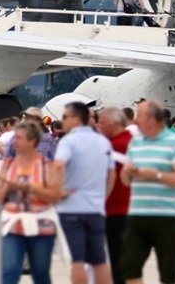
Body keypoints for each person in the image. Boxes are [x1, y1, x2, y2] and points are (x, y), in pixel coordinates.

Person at [120, 100, 175, 284]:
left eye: (140, 117)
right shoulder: (135, 143)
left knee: (169, 270)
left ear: (152, 119)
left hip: (166, 215)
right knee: (130, 267)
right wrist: (127, 173)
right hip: (137, 214)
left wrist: (156, 175)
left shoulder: (174, 143)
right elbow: (125, 180)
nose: (136, 122)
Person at [0, 120, 64, 284]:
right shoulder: (8, 165)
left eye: (18, 138)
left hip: (41, 226)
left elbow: (55, 196)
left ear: (32, 141)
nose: (14, 142)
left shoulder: (47, 166)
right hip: (13, 226)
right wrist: (7, 188)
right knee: (9, 271)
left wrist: (30, 188)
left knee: (40, 273)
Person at [56, 102, 116, 284]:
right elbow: (112, 173)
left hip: (72, 208)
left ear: (76, 119)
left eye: (65, 117)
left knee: (77, 260)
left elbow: (58, 165)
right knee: (99, 260)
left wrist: (58, 191)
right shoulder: (103, 141)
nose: (62, 121)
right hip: (96, 208)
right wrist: (103, 196)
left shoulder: (68, 141)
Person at [97, 107, 133, 284]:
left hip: (117, 208)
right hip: (125, 208)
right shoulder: (131, 141)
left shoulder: (115, 146)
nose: (99, 127)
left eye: (102, 123)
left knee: (117, 257)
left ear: (114, 123)